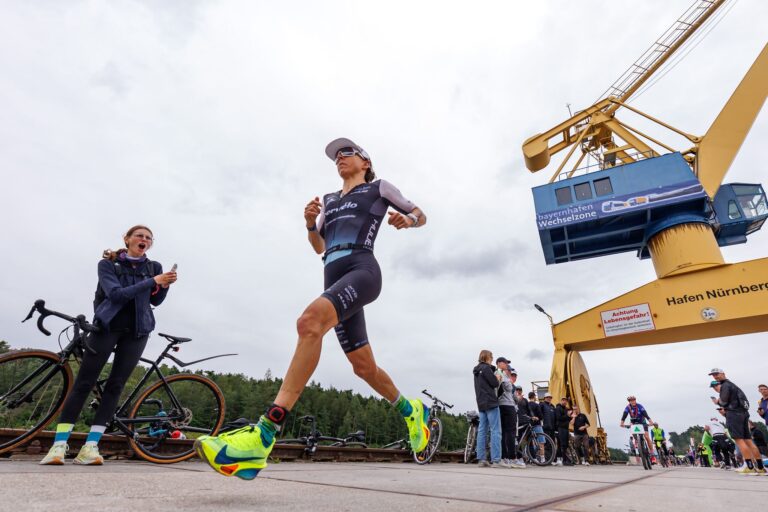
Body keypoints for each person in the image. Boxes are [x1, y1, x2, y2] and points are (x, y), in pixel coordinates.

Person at [194, 138, 430, 480]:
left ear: (365, 161)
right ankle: (412, 411)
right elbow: (318, 245)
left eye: (346, 153)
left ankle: (263, 435)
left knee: (309, 322)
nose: (339, 159)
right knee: (363, 368)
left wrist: (410, 222)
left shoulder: (379, 187)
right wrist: (308, 223)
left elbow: (419, 213)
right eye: (336, 156)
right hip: (332, 274)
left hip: (362, 272)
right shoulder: (330, 200)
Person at [40, 225, 176, 465]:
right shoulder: (108, 265)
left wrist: (163, 286)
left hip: (138, 331)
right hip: (107, 327)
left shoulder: (153, 267)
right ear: (127, 239)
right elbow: (116, 295)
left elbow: (154, 300)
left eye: (148, 238)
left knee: (115, 386)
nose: (144, 239)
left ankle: (91, 447)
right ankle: (58, 445)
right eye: (139, 236)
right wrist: (153, 281)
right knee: (84, 382)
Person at [709, 369, 765, 475]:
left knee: (739, 440)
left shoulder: (725, 385)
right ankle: (761, 467)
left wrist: (717, 402)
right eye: (713, 375)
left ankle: (749, 466)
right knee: (748, 441)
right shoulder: (733, 385)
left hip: (733, 414)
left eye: (717, 374)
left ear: (723, 374)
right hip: (743, 414)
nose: (715, 377)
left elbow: (724, 401)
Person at [472, 350, 509, 468]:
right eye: (491, 357)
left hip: (481, 403)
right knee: (496, 430)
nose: (492, 359)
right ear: (488, 357)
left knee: (482, 431)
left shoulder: (476, 370)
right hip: (491, 402)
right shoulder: (487, 369)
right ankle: (496, 460)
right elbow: (494, 383)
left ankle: (481, 459)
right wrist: (497, 377)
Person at [496, 359, 524, 468]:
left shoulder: (500, 375)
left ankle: (505, 458)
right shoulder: (502, 376)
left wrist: (518, 398)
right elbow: (507, 388)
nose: (510, 373)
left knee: (504, 433)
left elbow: (513, 397)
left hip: (502, 405)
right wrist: (509, 381)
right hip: (507, 406)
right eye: (510, 371)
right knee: (510, 433)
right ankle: (512, 458)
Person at [528, 391, 546, 464]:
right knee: (541, 442)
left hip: (529, 426)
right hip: (537, 425)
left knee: (530, 443)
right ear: (534, 397)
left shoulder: (527, 405)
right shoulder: (536, 405)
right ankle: (542, 459)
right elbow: (541, 416)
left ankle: (531, 458)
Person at [555, 397, 573, 466]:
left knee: (566, 444)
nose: (565, 402)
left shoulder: (566, 409)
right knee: (562, 444)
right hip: (560, 428)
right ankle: (563, 460)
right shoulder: (558, 408)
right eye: (563, 400)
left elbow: (568, 419)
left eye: (566, 401)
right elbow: (559, 418)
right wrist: (567, 415)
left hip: (566, 428)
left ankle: (565, 460)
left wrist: (570, 416)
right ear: (561, 401)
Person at [540, 393, 557, 460]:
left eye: (550, 397)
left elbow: (555, 418)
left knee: (552, 444)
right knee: (546, 443)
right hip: (545, 428)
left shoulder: (552, 406)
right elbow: (539, 414)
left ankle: (552, 459)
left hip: (552, 428)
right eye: (547, 397)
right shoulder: (542, 405)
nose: (549, 398)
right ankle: (547, 459)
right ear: (544, 398)